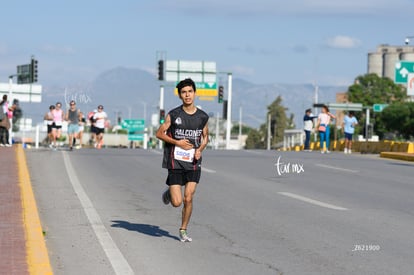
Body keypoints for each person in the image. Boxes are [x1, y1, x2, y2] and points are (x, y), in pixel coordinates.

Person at [156, 78, 209, 242]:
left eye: (190, 92)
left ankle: (183, 229)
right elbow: (159, 134)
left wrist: (200, 149)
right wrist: (177, 142)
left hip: (193, 163)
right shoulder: (174, 114)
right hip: (175, 162)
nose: (187, 95)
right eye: (184, 92)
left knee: (188, 198)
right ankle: (170, 194)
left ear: (195, 93)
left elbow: (205, 137)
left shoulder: (202, 117)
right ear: (180, 95)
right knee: (178, 202)